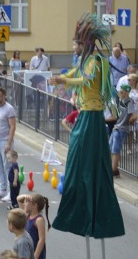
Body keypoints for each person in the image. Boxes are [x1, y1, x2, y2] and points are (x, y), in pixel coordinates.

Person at [49, 13, 125, 238]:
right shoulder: (84, 60)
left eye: (76, 43)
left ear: (85, 44)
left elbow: (87, 79)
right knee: (75, 157)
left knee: (84, 159)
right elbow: (76, 73)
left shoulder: (96, 61)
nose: (74, 46)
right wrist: (61, 77)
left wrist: (64, 81)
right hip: (85, 115)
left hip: (92, 117)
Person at [109, 84, 136, 177]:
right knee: (111, 147)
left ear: (126, 92)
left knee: (115, 149)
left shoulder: (129, 102)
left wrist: (131, 120)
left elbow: (134, 114)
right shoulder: (119, 100)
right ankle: (115, 169)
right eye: (120, 90)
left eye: (122, 91)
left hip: (122, 128)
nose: (120, 92)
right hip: (117, 127)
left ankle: (113, 170)